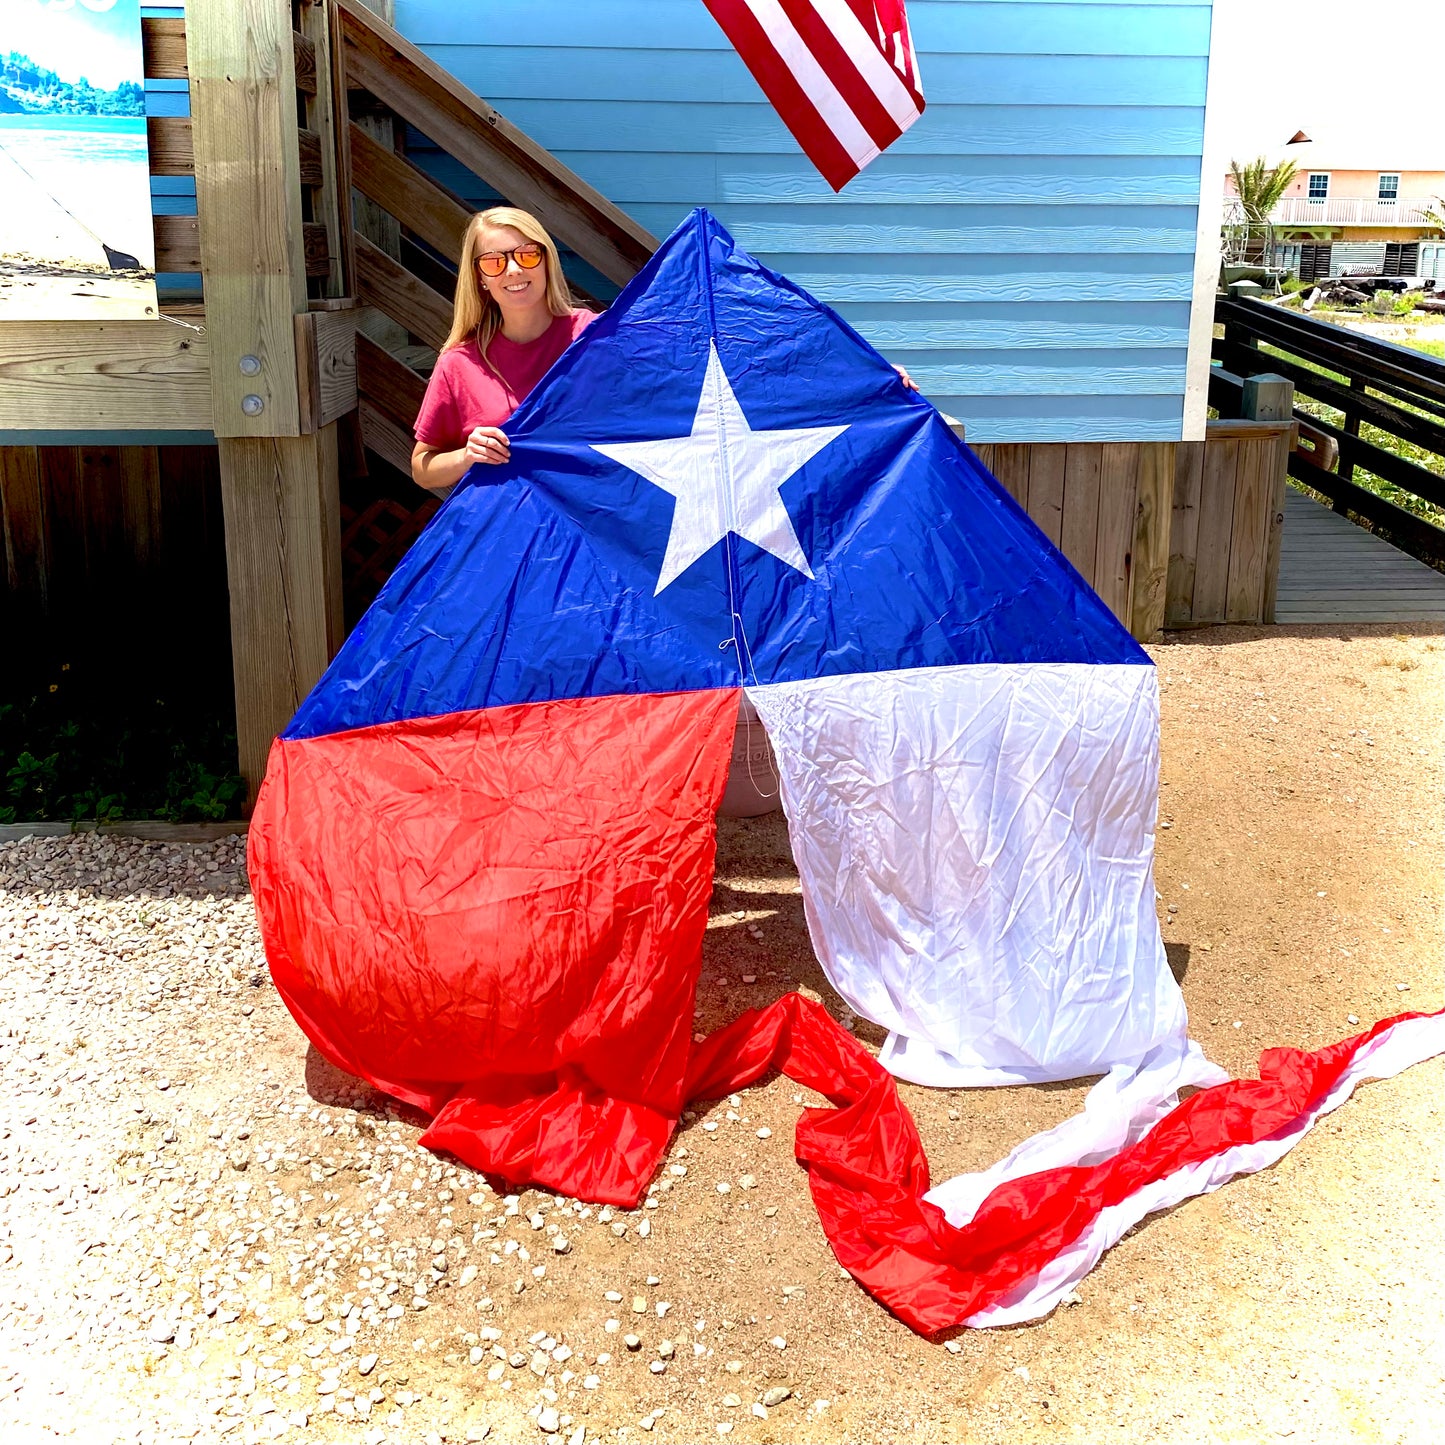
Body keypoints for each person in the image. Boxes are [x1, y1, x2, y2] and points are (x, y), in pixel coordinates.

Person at [411, 206, 596, 493]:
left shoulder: (592, 337)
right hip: (510, 529)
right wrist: (467, 456)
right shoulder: (459, 363)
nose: (513, 269)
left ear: (547, 260)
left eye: (527, 254)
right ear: (480, 278)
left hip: (588, 520)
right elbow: (422, 469)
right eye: (493, 262)